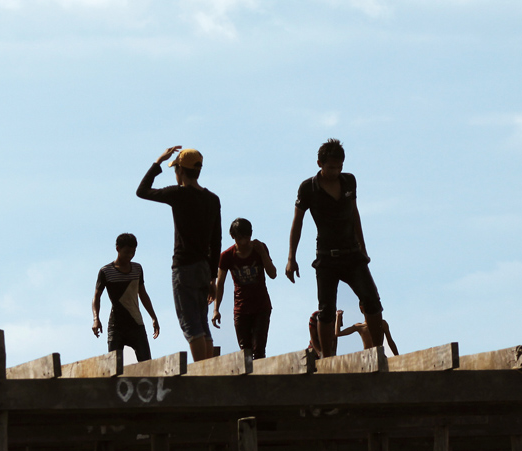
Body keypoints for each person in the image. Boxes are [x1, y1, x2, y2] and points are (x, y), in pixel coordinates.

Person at [286, 139, 385, 360]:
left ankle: (377, 352)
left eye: (339, 166)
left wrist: (363, 247)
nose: (335, 171)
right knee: (327, 309)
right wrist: (291, 257)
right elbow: (297, 222)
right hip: (326, 257)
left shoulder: (349, 181)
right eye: (331, 167)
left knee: (372, 300)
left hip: (352, 254)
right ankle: (327, 358)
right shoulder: (308, 187)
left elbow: (354, 214)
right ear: (320, 163)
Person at [136, 146, 222, 363]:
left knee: (191, 324)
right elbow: (216, 241)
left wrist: (158, 162)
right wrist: (213, 277)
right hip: (204, 268)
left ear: (181, 171)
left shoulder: (178, 194)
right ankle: (210, 371)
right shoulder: (213, 200)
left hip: (184, 267)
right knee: (202, 322)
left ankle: (202, 374)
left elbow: (142, 191)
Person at [211, 218, 276, 360]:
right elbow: (220, 284)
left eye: (247, 237)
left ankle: (259, 380)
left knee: (259, 350)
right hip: (241, 308)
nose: (244, 242)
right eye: (240, 238)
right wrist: (216, 309)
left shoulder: (260, 248)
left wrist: (263, 253)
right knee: (245, 352)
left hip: (261, 306)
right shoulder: (227, 256)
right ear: (233, 237)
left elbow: (273, 274)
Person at [92, 233, 161, 363]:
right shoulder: (106, 271)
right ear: (117, 249)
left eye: (133, 252)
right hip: (116, 326)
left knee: (147, 364)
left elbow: (143, 294)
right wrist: (96, 319)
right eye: (126, 252)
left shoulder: (137, 269)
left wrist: (153, 317)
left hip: (136, 324)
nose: (130, 255)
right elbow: (96, 296)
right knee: (113, 367)